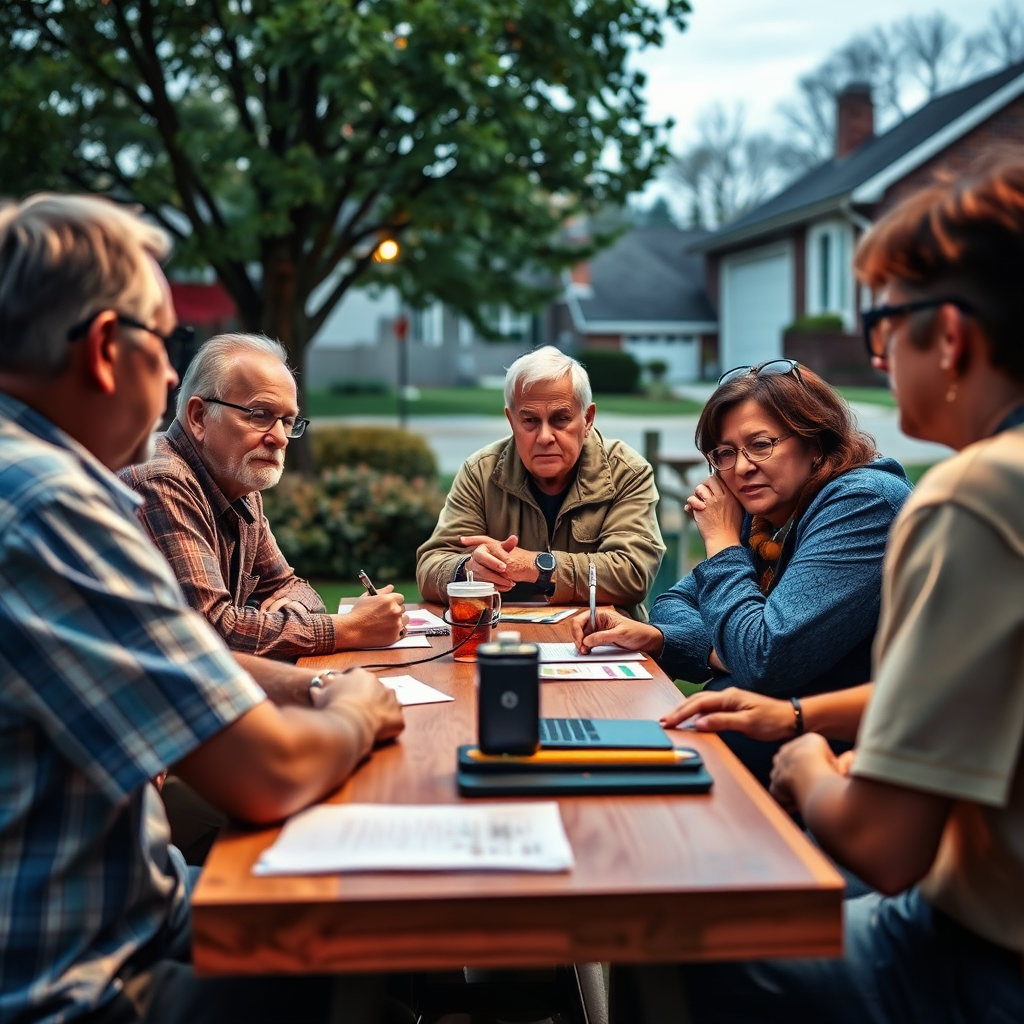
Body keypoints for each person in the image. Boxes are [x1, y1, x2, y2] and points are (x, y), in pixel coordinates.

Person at [0, 193, 406, 1024]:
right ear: (111, 350)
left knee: (342, 933)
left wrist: (302, 665)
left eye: (287, 420)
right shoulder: (52, 505)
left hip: (124, 898)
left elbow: (254, 606)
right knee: (359, 962)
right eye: (165, 344)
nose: (171, 370)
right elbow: (269, 772)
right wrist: (357, 706)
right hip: (72, 975)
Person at [668, 148, 1024, 1023]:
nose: (877, 348)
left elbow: (886, 844)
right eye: (724, 451)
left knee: (684, 932)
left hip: (981, 955)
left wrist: (807, 764)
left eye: (885, 322)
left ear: (948, 335)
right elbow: (680, 615)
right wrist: (786, 708)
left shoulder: (973, 496)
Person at [572, 361, 911, 787]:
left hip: (858, 757)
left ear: (816, 442)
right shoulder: (769, 511)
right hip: (766, 733)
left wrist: (720, 541)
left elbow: (764, 659)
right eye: (725, 453)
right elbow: (674, 603)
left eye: (761, 444)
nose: (742, 467)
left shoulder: (862, 506)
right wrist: (664, 638)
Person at [120, 332, 408, 660]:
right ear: (199, 417)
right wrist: (351, 627)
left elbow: (294, 587)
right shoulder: (161, 480)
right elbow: (212, 631)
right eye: (260, 415)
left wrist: (291, 609)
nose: (280, 439)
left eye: (287, 421)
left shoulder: (237, 484)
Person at [416, 345, 665, 620]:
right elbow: (430, 566)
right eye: (530, 421)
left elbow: (632, 574)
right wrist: (467, 569)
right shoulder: (480, 472)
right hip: (504, 641)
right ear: (511, 421)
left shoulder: (627, 472)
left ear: (588, 419)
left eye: (560, 419)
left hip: (600, 642)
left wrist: (537, 566)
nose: (545, 436)